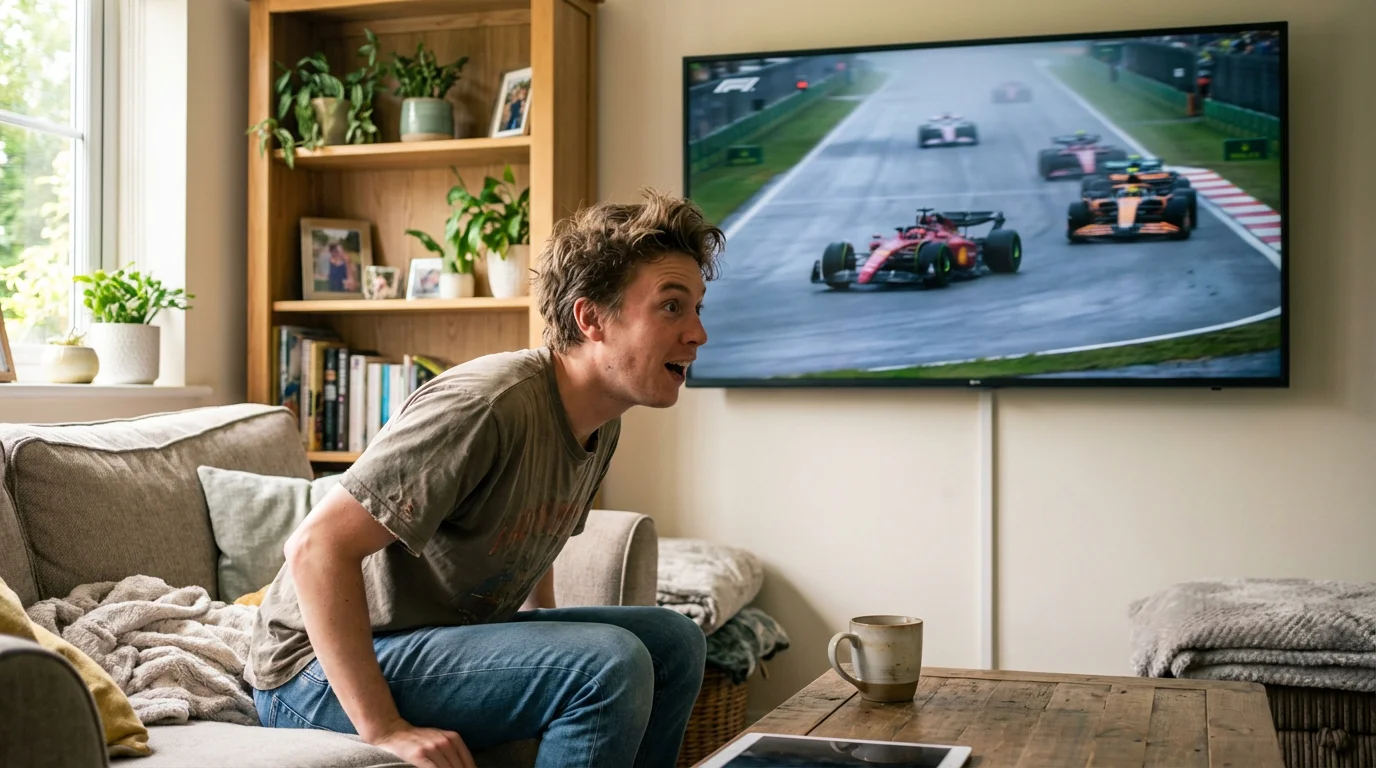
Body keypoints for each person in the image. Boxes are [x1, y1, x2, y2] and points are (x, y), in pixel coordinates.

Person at [245, 190, 725, 768]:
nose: (697, 333)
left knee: (675, 642)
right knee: (610, 661)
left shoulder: (601, 418)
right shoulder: (485, 405)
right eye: (672, 307)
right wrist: (386, 728)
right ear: (591, 318)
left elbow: (530, 530)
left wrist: (540, 635)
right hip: (309, 674)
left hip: (430, 641)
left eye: (697, 308)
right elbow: (316, 547)